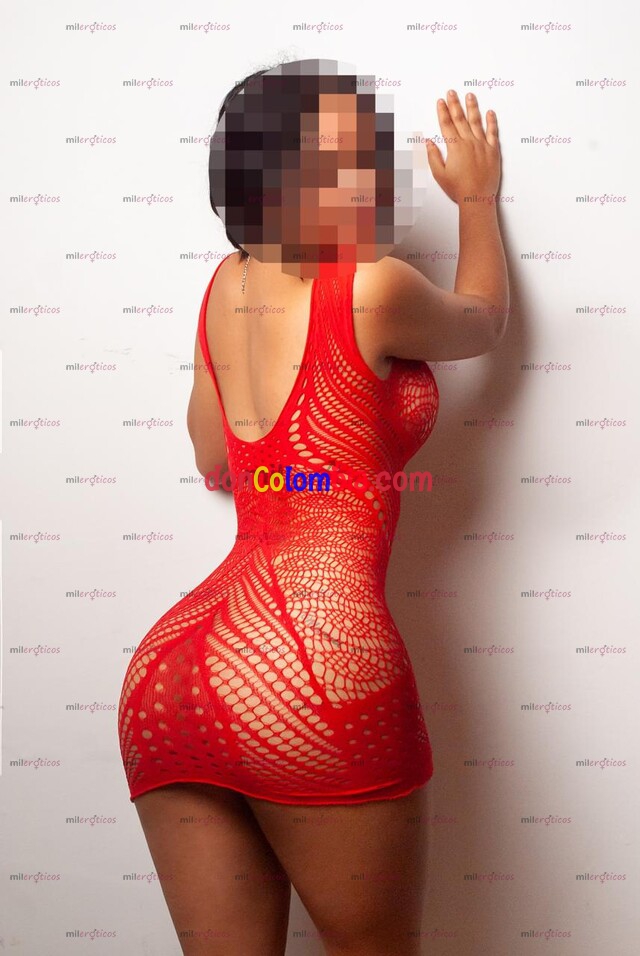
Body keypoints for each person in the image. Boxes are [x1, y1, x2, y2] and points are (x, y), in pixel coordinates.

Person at [117, 58, 507, 956]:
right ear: (272, 180)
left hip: (174, 671)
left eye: (369, 151)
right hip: (314, 666)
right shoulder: (374, 287)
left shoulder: (222, 288)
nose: (372, 176)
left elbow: (215, 459)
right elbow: (483, 322)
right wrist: (478, 201)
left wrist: (302, 470)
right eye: (340, 161)